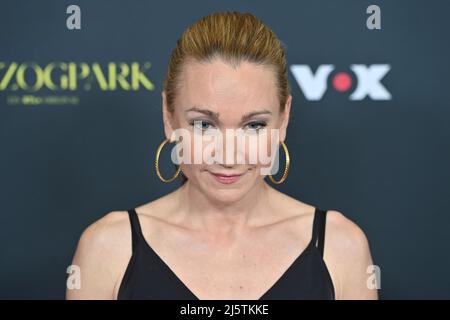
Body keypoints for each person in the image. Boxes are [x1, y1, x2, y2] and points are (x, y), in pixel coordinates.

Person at [66, 11, 377, 300]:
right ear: (168, 117)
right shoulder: (108, 248)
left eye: (254, 125)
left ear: (283, 120)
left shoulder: (340, 246)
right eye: (204, 124)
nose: (228, 155)